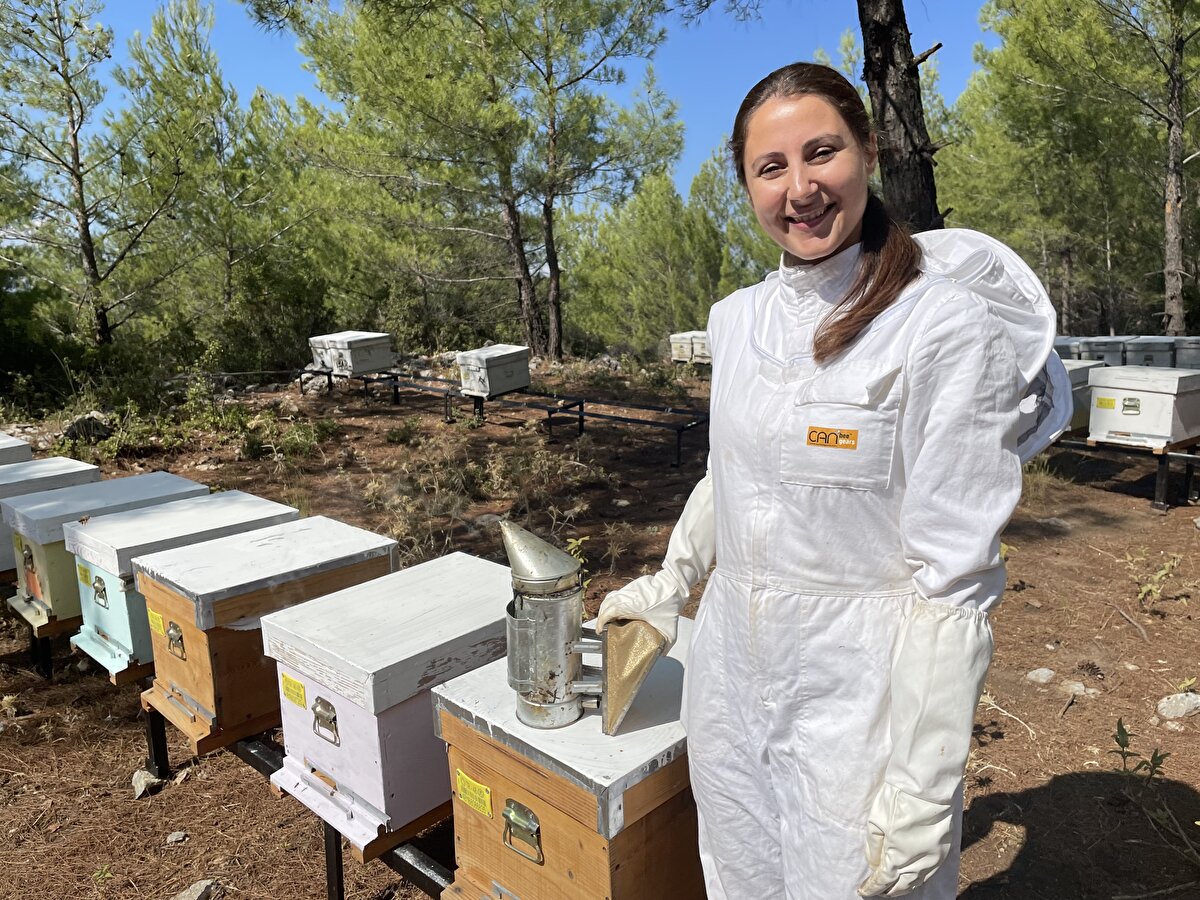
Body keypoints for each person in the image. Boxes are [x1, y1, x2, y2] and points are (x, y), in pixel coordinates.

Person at [596, 62, 1067, 899]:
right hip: (731, 677)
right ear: (745, 183)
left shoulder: (941, 325)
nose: (801, 189)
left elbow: (953, 580)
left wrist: (922, 789)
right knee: (739, 878)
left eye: (823, 153)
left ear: (870, 152)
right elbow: (735, 474)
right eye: (770, 167)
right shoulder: (734, 321)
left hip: (861, 697)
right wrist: (673, 579)